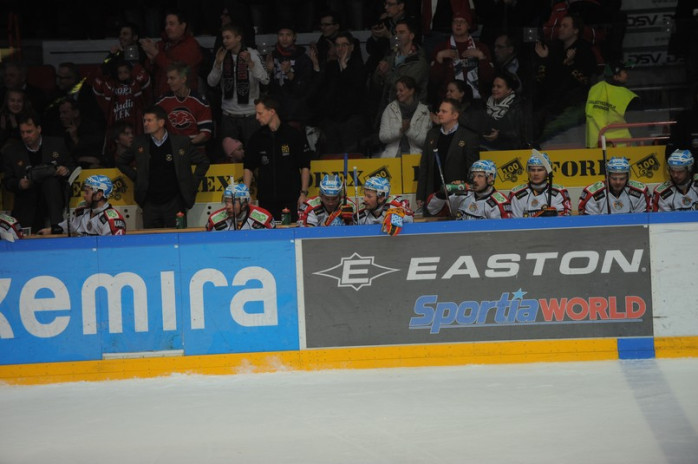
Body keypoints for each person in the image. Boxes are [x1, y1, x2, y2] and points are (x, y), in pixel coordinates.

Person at [116, 105, 210, 229]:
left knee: (178, 237)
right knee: (151, 239)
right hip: (149, 203)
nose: (145, 124)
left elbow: (203, 162)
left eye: (149, 120)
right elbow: (121, 162)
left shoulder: (181, 142)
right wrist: (137, 177)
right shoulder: (139, 143)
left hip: (175, 202)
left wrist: (192, 183)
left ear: (161, 122)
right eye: (144, 120)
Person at [1, 113, 75, 234]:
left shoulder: (57, 144)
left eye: (29, 132)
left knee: (50, 182)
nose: (25, 136)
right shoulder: (12, 152)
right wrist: (19, 184)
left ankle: (56, 228)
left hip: (54, 198)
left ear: (39, 129)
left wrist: (65, 170)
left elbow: (73, 167)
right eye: (22, 132)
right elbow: (7, 181)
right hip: (27, 200)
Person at [243, 96, 311, 222]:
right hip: (266, 200)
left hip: (291, 199)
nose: (257, 117)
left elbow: (305, 166)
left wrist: (303, 193)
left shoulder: (293, 135)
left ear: (272, 111)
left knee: (292, 230)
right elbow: (248, 167)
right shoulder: (257, 138)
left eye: (260, 113)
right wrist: (246, 193)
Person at [533, 14, 597, 144]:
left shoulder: (585, 51)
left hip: (574, 103)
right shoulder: (553, 48)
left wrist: (570, 64)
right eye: (560, 26)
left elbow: (584, 80)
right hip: (550, 101)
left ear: (576, 30)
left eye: (565, 26)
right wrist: (544, 59)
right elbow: (544, 77)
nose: (560, 29)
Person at [207, 23, 269, 155]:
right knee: (229, 158)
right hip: (228, 116)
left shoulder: (253, 54)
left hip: (250, 115)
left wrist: (251, 64)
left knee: (254, 154)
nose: (225, 41)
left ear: (238, 38)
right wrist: (218, 63)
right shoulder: (222, 55)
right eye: (223, 38)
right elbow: (211, 83)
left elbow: (266, 79)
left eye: (228, 37)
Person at [417, 98, 479, 209]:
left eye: (444, 111)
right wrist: (420, 195)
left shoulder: (468, 137)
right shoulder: (432, 134)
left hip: (459, 197)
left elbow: (473, 169)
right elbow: (424, 166)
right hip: (434, 196)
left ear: (455, 115)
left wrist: (470, 191)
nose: (439, 114)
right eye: (439, 111)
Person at [312, 30, 368, 155]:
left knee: (351, 157)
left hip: (351, 120)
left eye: (344, 45)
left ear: (352, 47)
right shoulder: (330, 66)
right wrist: (316, 66)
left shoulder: (359, 66)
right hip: (332, 121)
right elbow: (320, 91)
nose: (340, 48)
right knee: (332, 156)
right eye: (337, 45)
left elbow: (357, 89)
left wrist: (344, 66)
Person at [428, 10, 495, 108]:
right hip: (447, 102)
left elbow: (488, 78)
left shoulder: (481, 48)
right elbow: (434, 80)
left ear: (469, 25)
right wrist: (439, 58)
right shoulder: (441, 48)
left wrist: (481, 57)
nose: (458, 24)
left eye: (462, 21)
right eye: (455, 21)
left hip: (476, 102)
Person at [140, 9, 204, 100]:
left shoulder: (191, 46)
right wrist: (151, 60)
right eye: (166, 24)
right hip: (161, 99)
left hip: (182, 100)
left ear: (183, 25)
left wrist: (155, 53)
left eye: (172, 24)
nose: (167, 27)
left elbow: (178, 71)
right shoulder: (162, 44)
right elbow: (150, 70)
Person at [264, 24, 316, 131]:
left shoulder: (303, 58)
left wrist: (289, 73)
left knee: (293, 139)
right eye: (281, 35)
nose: (284, 38)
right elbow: (265, 86)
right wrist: (268, 71)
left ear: (294, 37)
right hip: (276, 109)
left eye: (288, 35)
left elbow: (305, 88)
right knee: (278, 139)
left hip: (295, 112)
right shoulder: (272, 56)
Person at [373, 19, 429, 115]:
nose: (397, 36)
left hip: (409, 113)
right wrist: (380, 73)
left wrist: (386, 73)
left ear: (411, 36)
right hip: (387, 110)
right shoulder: (391, 55)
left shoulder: (419, 62)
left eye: (402, 32)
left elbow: (404, 87)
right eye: (396, 32)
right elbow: (376, 82)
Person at [38, 175, 126, 236]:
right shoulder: (82, 212)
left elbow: (114, 250)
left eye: (87, 192)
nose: (84, 196)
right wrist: (51, 230)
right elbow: (68, 226)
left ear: (99, 195)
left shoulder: (112, 220)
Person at [426, 159, 512, 219]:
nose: (474, 180)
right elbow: (433, 210)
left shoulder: (499, 203)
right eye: (473, 176)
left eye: (480, 176)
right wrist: (442, 195)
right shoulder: (463, 195)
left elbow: (503, 233)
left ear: (490, 178)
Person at [156, 62, 213, 151]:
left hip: (195, 151)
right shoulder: (162, 102)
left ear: (183, 79)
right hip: (172, 151)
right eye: (168, 78)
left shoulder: (200, 102)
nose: (168, 82)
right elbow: (154, 129)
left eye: (172, 78)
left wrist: (187, 145)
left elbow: (205, 133)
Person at [585, 61, 640, 148]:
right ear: (616, 77)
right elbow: (638, 121)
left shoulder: (594, 89)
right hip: (620, 146)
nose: (627, 75)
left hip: (594, 145)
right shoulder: (627, 96)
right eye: (624, 72)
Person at [92, 59, 151, 138]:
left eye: (126, 72)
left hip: (136, 127)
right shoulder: (110, 86)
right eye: (120, 73)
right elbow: (97, 87)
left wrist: (135, 66)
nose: (123, 75)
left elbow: (145, 82)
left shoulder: (136, 85)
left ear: (131, 72)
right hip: (116, 127)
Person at [378, 75, 432, 158]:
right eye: (397, 90)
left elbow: (425, 140)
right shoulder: (390, 108)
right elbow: (382, 137)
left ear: (411, 91)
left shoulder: (424, 111)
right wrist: (400, 131)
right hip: (392, 156)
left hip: (415, 158)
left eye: (401, 90)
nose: (397, 93)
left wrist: (408, 130)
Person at [508, 149, 572, 217]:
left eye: (540, 170)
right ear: (528, 171)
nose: (536, 173)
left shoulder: (559, 193)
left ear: (547, 172)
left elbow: (565, 220)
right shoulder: (516, 194)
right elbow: (515, 222)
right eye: (532, 170)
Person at [577, 156, 649, 215]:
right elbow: (591, 222)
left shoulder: (640, 192)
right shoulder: (593, 193)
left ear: (627, 177)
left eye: (622, 179)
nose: (618, 182)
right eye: (614, 178)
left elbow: (643, 219)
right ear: (607, 176)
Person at [480, 70, 528, 151]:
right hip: (488, 150)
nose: (494, 89)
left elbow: (520, 134)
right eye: (493, 86)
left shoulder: (518, 107)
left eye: (499, 87)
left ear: (509, 90)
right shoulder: (486, 104)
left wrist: (499, 135)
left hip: (511, 152)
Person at [57, 98, 106, 168]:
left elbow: (95, 155)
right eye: (60, 113)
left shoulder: (92, 128)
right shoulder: (60, 131)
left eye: (65, 112)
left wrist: (75, 138)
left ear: (76, 113)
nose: (61, 116)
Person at [206, 183, 275, 231]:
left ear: (244, 203)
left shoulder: (264, 218)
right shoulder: (214, 220)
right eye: (226, 201)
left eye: (233, 202)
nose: (228, 206)